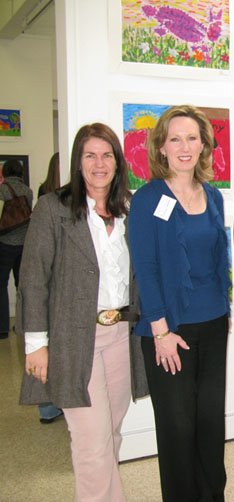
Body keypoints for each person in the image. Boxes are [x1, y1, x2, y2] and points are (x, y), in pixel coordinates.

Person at [18, 123, 149, 501]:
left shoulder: (129, 208)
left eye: (107, 155)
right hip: (74, 340)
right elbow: (34, 279)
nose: (99, 163)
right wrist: (35, 344)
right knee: (91, 442)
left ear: (118, 162)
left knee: (111, 433)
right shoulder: (53, 209)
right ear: (77, 162)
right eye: (90, 155)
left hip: (121, 335)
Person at [128, 105, 231, 502]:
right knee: (177, 428)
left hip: (212, 323)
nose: (184, 146)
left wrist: (224, 311)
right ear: (161, 147)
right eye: (176, 138)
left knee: (209, 424)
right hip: (169, 330)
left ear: (203, 144)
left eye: (192, 137)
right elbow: (147, 268)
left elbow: (219, 259)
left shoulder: (211, 195)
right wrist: (160, 330)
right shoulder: (148, 199)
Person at [35, 151, 64, 424]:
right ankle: (48, 406)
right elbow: (34, 278)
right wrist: (33, 342)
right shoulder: (49, 204)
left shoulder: (119, 205)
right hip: (63, 311)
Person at [0, 159, 33, 340]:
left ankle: (2, 327)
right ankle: (24, 324)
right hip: (25, 244)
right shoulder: (28, 191)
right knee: (23, 285)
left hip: (4, 243)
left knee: (0, 284)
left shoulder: (2, 190)